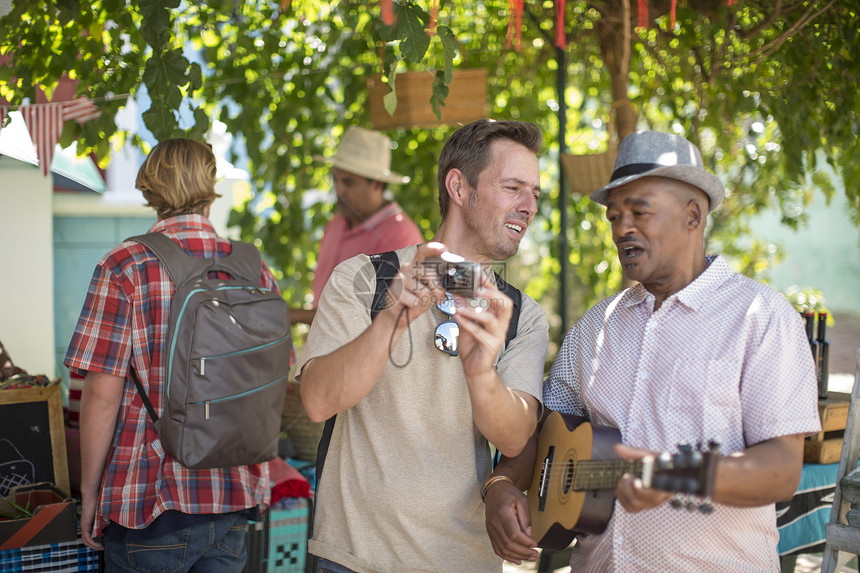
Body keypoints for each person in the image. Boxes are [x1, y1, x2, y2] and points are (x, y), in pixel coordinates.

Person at [484, 130, 821, 572]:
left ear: (693, 216)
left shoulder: (760, 316)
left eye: (640, 212)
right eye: (614, 216)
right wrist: (502, 484)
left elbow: (780, 472)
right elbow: (539, 430)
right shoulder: (596, 327)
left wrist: (675, 473)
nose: (623, 228)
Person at [297, 119, 550, 573]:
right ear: (459, 186)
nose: (529, 206)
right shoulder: (363, 278)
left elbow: (515, 436)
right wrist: (392, 319)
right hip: (352, 559)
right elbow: (316, 401)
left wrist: (480, 372)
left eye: (535, 193)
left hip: (463, 562)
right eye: (513, 187)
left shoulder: (521, 315)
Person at [65, 139, 279, 571]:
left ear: (149, 187)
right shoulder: (253, 267)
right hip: (234, 495)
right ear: (211, 184)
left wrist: (90, 492)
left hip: (151, 499)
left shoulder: (125, 265)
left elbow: (102, 394)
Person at [290, 126, 424, 324]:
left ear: (377, 184)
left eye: (348, 182)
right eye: (334, 179)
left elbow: (375, 318)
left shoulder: (401, 238)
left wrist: (293, 316)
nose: (339, 190)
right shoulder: (338, 221)